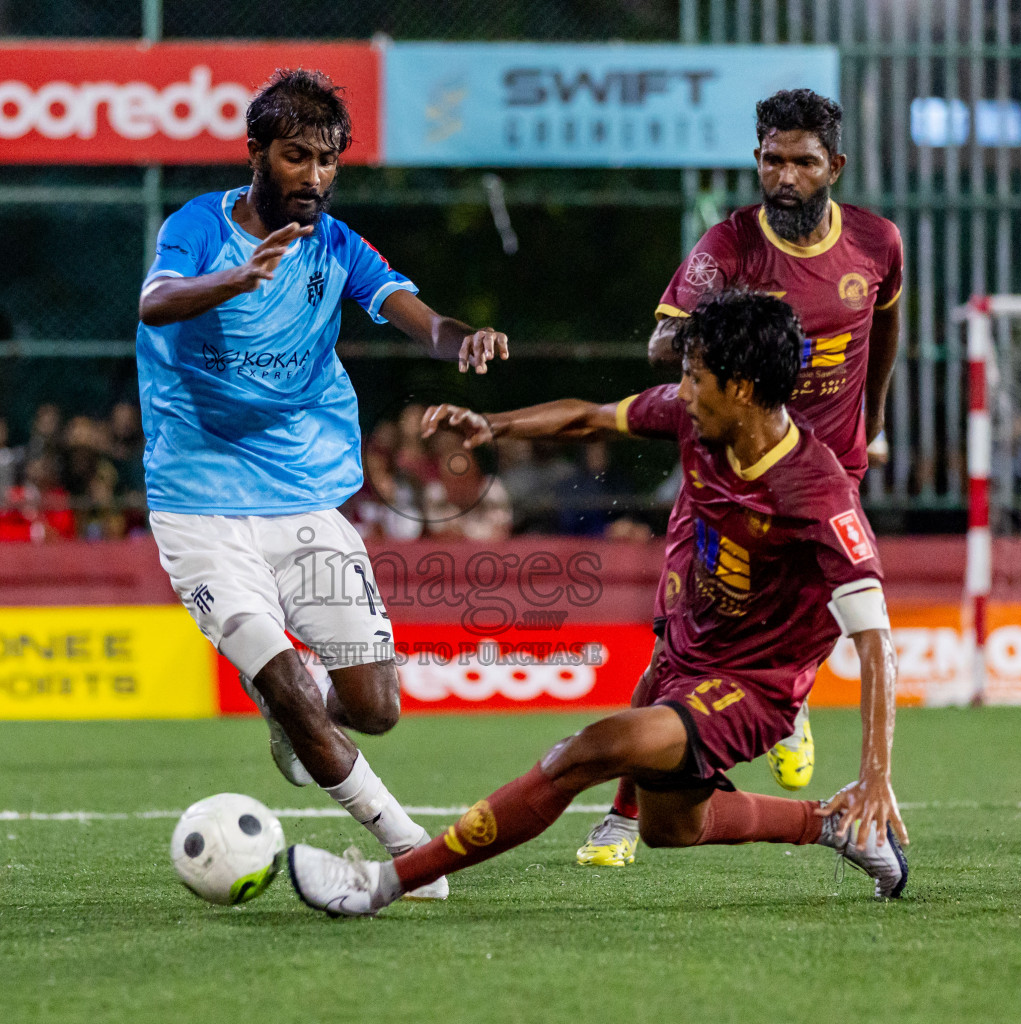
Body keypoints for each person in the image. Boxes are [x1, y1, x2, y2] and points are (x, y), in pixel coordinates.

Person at [288, 291, 908, 917]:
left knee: (582, 752)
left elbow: (875, 641)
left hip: (752, 687)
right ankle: (835, 825)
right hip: (688, 656)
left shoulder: (817, 492)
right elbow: (589, 416)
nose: (682, 391)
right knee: (671, 826)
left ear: (744, 389)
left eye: (696, 378)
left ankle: (383, 882)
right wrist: (494, 425)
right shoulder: (695, 418)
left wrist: (876, 775)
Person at [135, 68, 509, 897]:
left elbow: (414, 313)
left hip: (306, 499)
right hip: (200, 506)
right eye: (297, 157)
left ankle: (294, 722)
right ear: (257, 155)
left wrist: (462, 341)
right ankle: (408, 847)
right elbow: (156, 302)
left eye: (328, 160)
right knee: (287, 680)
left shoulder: (337, 244)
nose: (314, 176)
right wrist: (230, 281)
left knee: (374, 706)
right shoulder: (199, 227)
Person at [613, 89, 905, 820]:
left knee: (824, 613)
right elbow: (658, 346)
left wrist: (873, 417)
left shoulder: (877, 244)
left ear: (833, 165)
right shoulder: (728, 247)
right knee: (674, 637)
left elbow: (888, 325)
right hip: (725, 472)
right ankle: (622, 814)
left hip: (824, 471)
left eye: (803, 163)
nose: (784, 177)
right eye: (771, 160)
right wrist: (732, 330)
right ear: (756, 159)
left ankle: (788, 704)